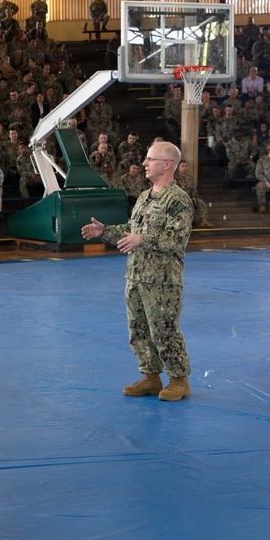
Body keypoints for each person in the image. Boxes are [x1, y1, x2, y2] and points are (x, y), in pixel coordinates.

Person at [81, 141, 194, 401]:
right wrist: (104, 231)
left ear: (167, 164)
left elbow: (176, 240)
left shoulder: (178, 200)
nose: (144, 163)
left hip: (163, 279)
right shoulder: (145, 196)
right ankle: (151, 377)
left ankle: (179, 379)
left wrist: (143, 240)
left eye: (150, 159)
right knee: (138, 329)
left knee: (164, 329)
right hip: (136, 274)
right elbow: (132, 230)